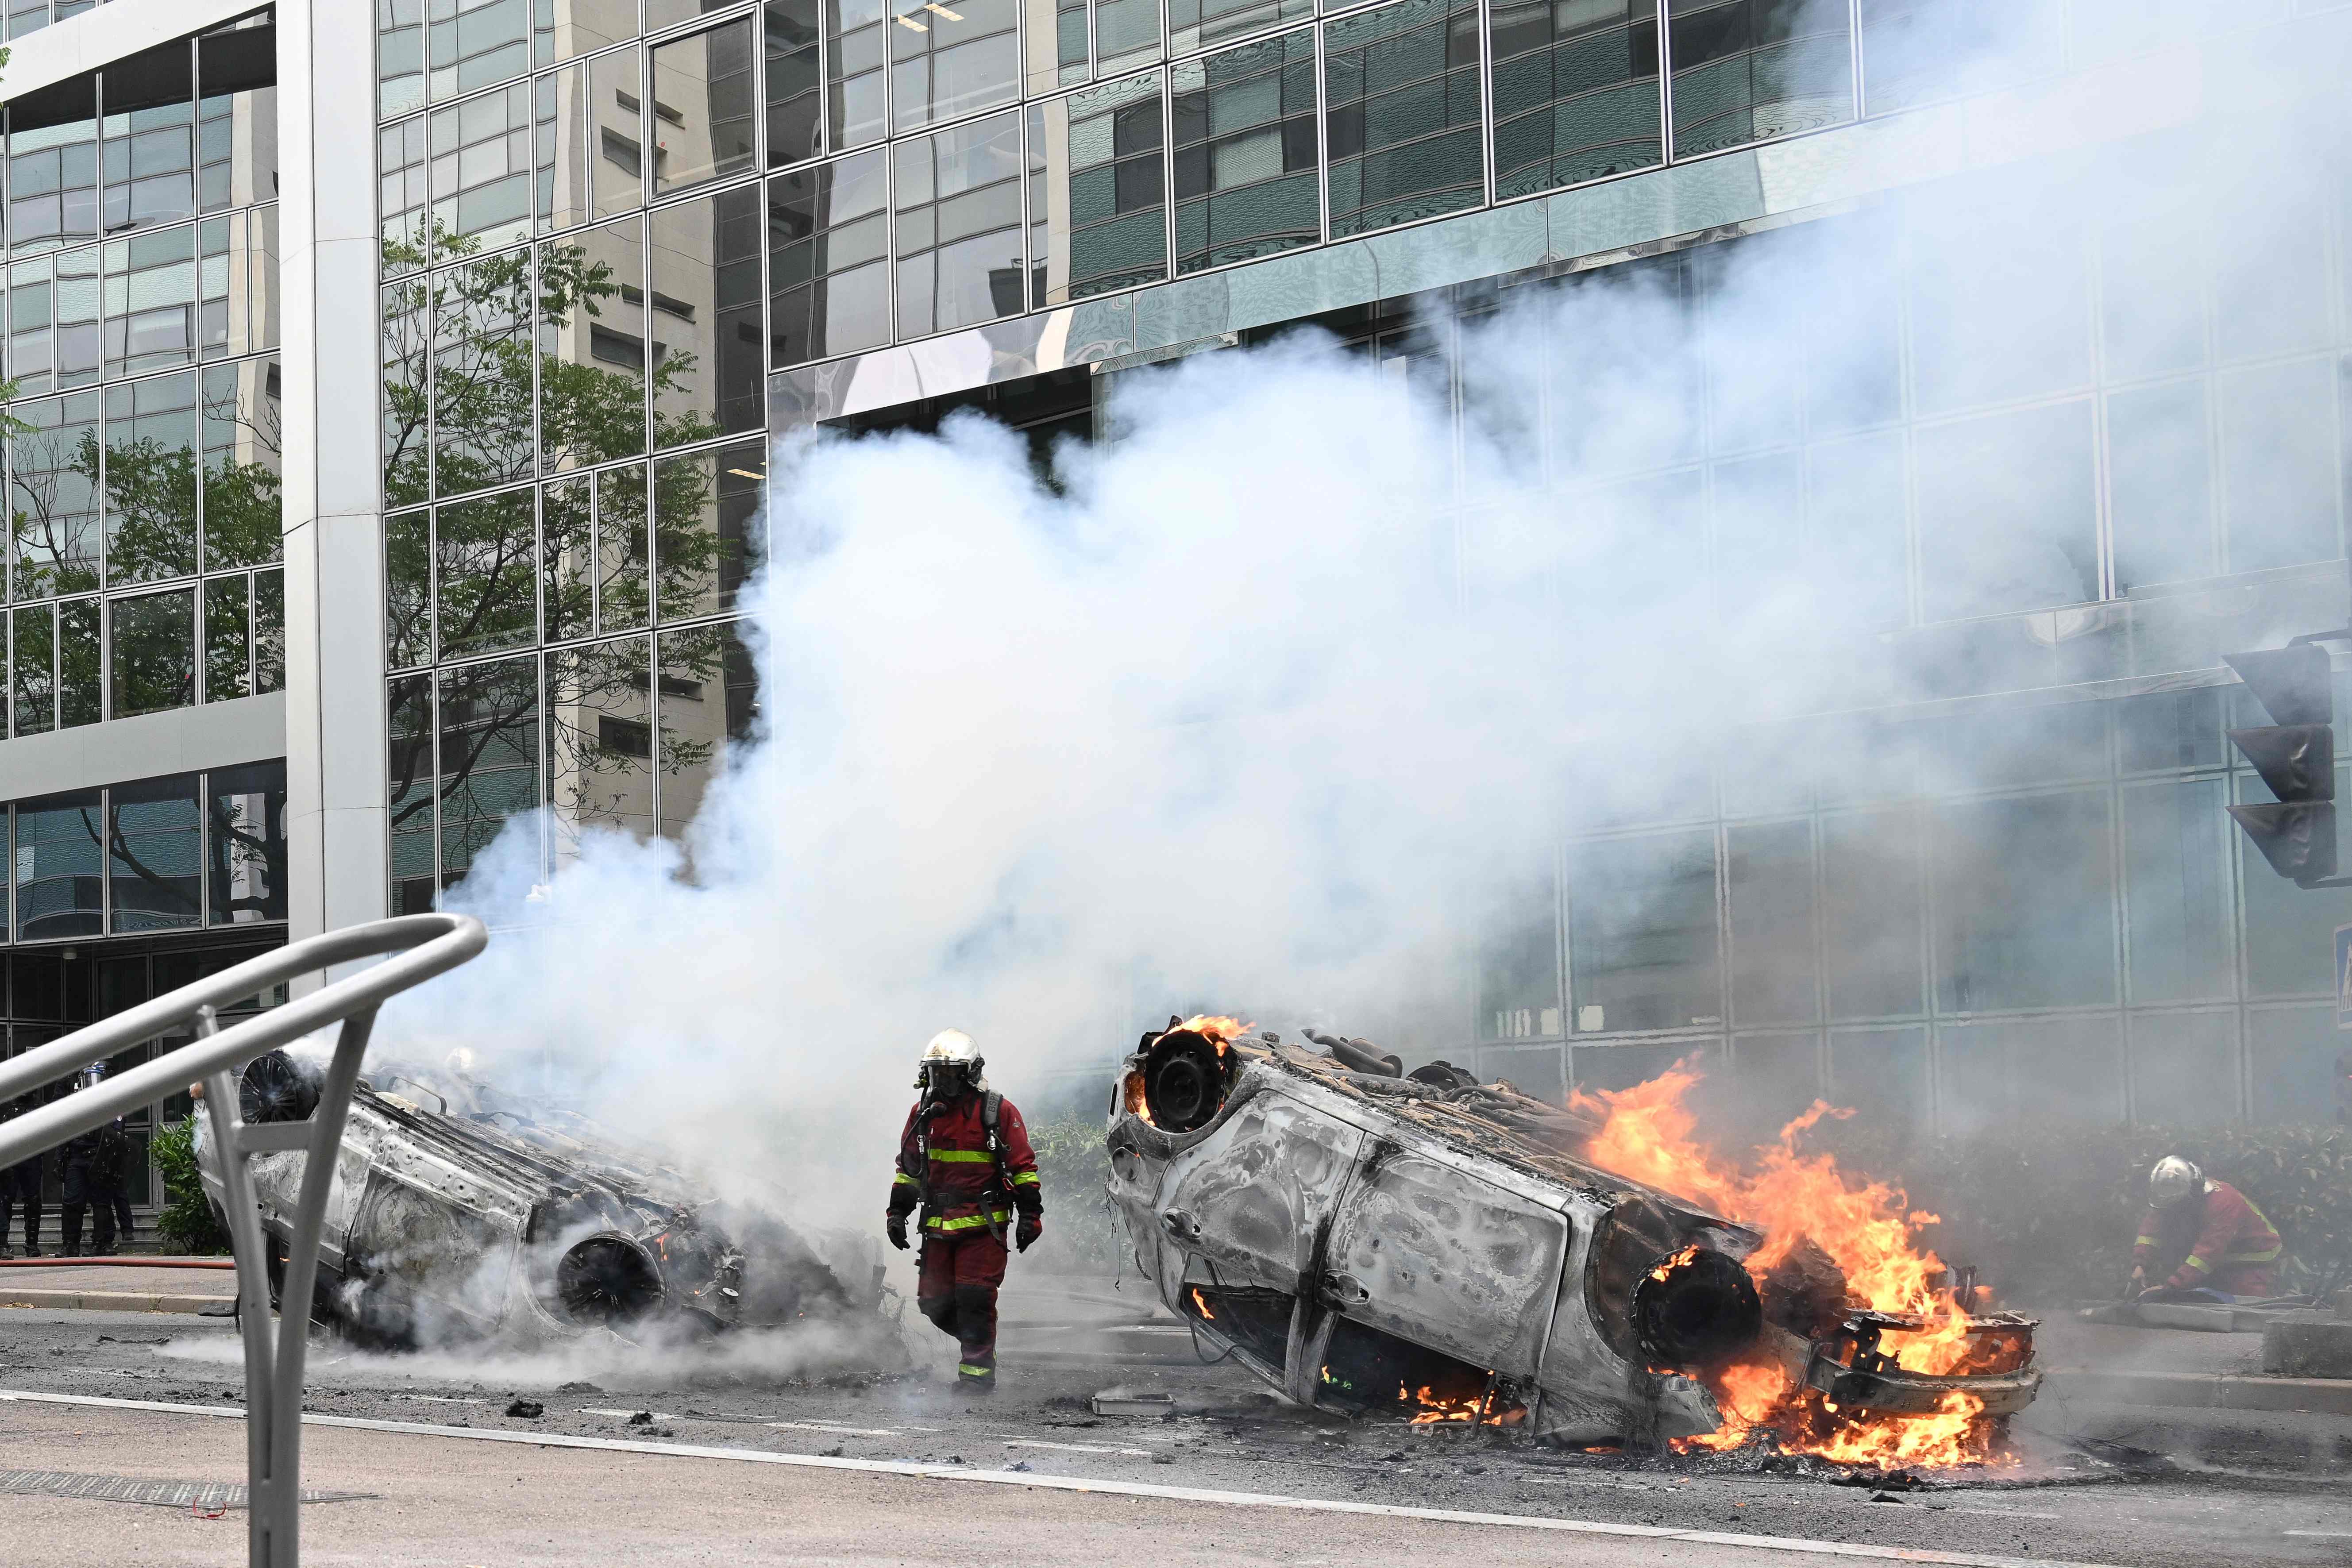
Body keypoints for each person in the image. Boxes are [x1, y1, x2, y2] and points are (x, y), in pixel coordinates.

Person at [884, 1029, 1043, 1393]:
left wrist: (1030, 1215)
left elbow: (1022, 1167)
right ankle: (980, 1340)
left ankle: (977, 1374)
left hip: (983, 1226)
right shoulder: (923, 1114)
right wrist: (897, 1213)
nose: (942, 1081)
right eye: (936, 1073)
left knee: (975, 1298)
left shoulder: (997, 1111)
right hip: (938, 1226)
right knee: (933, 1303)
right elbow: (909, 1171)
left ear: (970, 1073)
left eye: (950, 1073)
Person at [2130, 1156, 2285, 1302]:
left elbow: (2207, 1254)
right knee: (2199, 1296)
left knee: (2244, 1306)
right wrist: (2140, 1265)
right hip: (2216, 1255)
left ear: (2193, 1194)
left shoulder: (2224, 1203)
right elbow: (2150, 1232)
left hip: (2252, 1256)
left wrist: (2170, 1287)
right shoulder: (2170, 1197)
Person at [59, 1065, 128, 1258]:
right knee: (72, 1202)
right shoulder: (73, 1105)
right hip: (78, 1157)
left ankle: (103, 1243)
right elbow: (64, 1132)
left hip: (100, 1155)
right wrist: (59, 1158)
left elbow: (118, 1130)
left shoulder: (111, 1103)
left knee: (102, 1203)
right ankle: (70, 1244)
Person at [0, 1098, 46, 1258]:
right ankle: (3, 1244)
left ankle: (32, 1244)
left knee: (34, 1201)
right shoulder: (5, 1105)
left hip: (31, 1157)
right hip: (10, 1157)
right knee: (5, 1200)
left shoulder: (39, 1107)